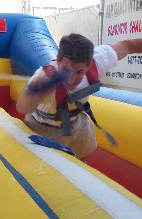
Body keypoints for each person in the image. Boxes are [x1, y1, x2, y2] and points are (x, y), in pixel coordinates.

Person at [16, 33, 142, 161]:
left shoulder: (100, 59)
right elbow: (22, 107)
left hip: (77, 122)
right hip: (43, 126)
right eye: (66, 70)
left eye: (79, 72)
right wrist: (40, 90)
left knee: (80, 162)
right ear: (58, 61)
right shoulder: (44, 76)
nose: (71, 79)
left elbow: (129, 45)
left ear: (88, 66)